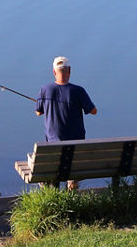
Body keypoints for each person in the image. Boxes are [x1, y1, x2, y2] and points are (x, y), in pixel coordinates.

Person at [35, 55, 97, 188]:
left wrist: (45, 103)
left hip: (53, 142)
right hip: (76, 145)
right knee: (72, 165)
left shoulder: (45, 90)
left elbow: (38, 112)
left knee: (54, 166)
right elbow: (93, 111)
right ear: (69, 71)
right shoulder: (78, 91)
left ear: (54, 72)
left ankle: (53, 192)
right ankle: (72, 187)